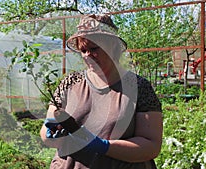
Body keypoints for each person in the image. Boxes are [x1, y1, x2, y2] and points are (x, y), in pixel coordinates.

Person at [39, 14, 163, 169]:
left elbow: (151, 146)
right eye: (83, 50)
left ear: (113, 46)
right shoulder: (70, 83)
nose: (88, 56)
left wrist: (104, 146)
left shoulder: (138, 87)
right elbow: (46, 131)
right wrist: (51, 134)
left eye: (94, 48)